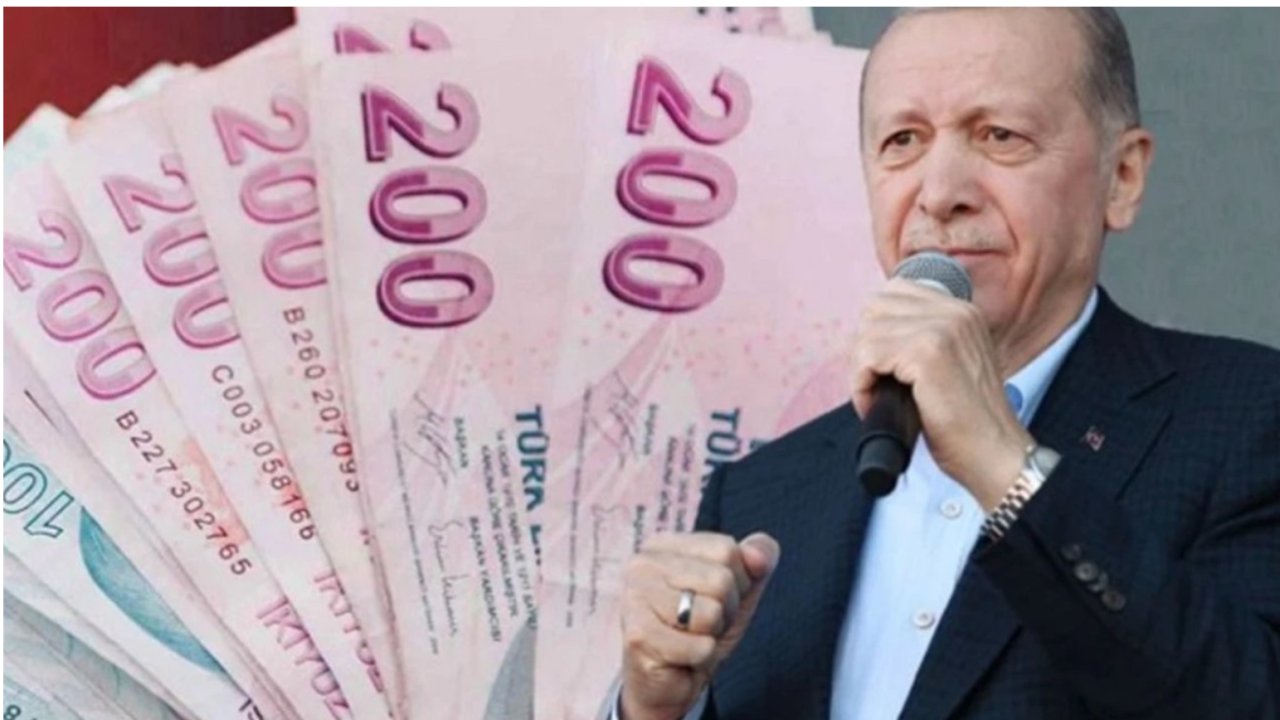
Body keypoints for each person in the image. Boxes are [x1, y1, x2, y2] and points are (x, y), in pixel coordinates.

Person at [614, 8, 1280, 720]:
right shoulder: (763, 494)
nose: (939, 193)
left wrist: (1005, 467)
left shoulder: (1247, 420)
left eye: (1000, 135)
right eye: (903, 141)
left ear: (1121, 176)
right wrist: (652, 708)